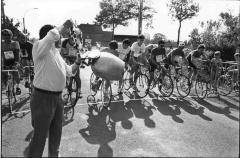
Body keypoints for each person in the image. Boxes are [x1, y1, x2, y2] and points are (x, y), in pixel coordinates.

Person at [27, 19, 81, 157]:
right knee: (40, 137)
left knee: (56, 133)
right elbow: (52, 35)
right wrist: (65, 25)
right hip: (42, 97)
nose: (61, 38)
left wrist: (78, 62)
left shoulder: (56, 53)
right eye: (60, 36)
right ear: (49, 37)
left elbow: (69, 71)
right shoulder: (38, 47)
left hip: (58, 98)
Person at [1, 29, 21, 95]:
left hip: (14, 61)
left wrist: (16, 63)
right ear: (2, 36)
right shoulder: (1, 43)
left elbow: (17, 54)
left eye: (8, 35)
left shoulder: (15, 43)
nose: (6, 37)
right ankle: (6, 88)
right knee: (4, 76)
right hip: (5, 62)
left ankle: (17, 87)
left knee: (16, 74)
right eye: (4, 35)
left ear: (11, 35)